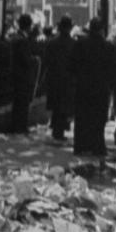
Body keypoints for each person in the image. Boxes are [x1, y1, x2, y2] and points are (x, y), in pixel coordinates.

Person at [69, 16, 115, 156]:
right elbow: (112, 69)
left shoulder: (80, 44)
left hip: (83, 87)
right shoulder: (108, 46)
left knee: (82, 117)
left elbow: (72, 66)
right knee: (98, 119)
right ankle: (97, 146)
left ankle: (80, 146)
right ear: (102, 30)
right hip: (101, 88)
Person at [44, 14, 75, 142]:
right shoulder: (73, 43)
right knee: (64, 106)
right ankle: (60, 130)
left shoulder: (52, 43)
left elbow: (47, 61)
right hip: (68, 80)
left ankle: (56, 129)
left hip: (54, 78)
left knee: (56, 105)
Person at [9, 13, 38, 134]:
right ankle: (21, 127)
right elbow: (25, 59)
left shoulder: (14, 37)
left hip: (15, 74)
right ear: (28, 26)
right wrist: (34, 60)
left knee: (17, 102)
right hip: (23, 75)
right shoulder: (23, 40)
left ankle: (16, 126)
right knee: (23, 102)